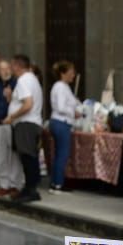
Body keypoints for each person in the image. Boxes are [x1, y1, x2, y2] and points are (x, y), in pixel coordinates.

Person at [7, 54, 45, 203]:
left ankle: (31, 189)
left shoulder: (23, 81)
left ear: (17, 66)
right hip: (33, 123)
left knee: (27, 156)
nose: (11, 69)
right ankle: (29, 187)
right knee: (30, 156)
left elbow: (27, 104)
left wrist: (13, 116)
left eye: (12, 65)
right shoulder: (33, 79)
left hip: (25, 123)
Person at [0, 59, 21, 198]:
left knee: (14, 156)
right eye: (2, 69)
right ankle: (4, 185)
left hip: (12, 124)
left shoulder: (17, 84)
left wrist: (9, 97)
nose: (6, 71)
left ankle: (15, 184)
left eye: (8, 67)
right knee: (1, 156)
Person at [46, 61, 79, 194]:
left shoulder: (65, 87)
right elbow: (60, 107)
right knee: (62, 154)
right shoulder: (60, 87)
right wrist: (73, 112)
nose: (73, 75)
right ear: (63, 73)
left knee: (60, 153)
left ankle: (57, 181)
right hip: (61, 122)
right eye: (71, 72)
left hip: (61, 122)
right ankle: (57, 183)